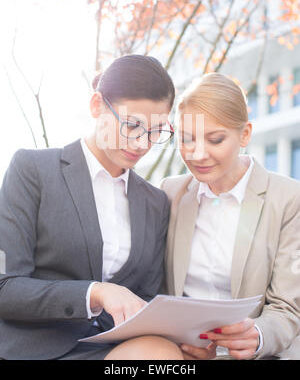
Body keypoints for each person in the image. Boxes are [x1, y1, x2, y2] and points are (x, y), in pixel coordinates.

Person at [0, 54, 194, 361]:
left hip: (113, 349)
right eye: (132, 125)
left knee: (168, 356)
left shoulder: (155, 202)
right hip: (35, 349)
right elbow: (5, 286)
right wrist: (95, 292)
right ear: (96, 106)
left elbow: (146, 298)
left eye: (156, 131)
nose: (142, 143)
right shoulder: (33, 170)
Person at [160, 72, 300, 360]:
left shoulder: (288, 199)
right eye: (187, 139)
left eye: (215, 139)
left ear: (245, 134)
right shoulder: (170, 194)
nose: (198, 154)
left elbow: (288, 307)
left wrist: (256, 337)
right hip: (183, 353)